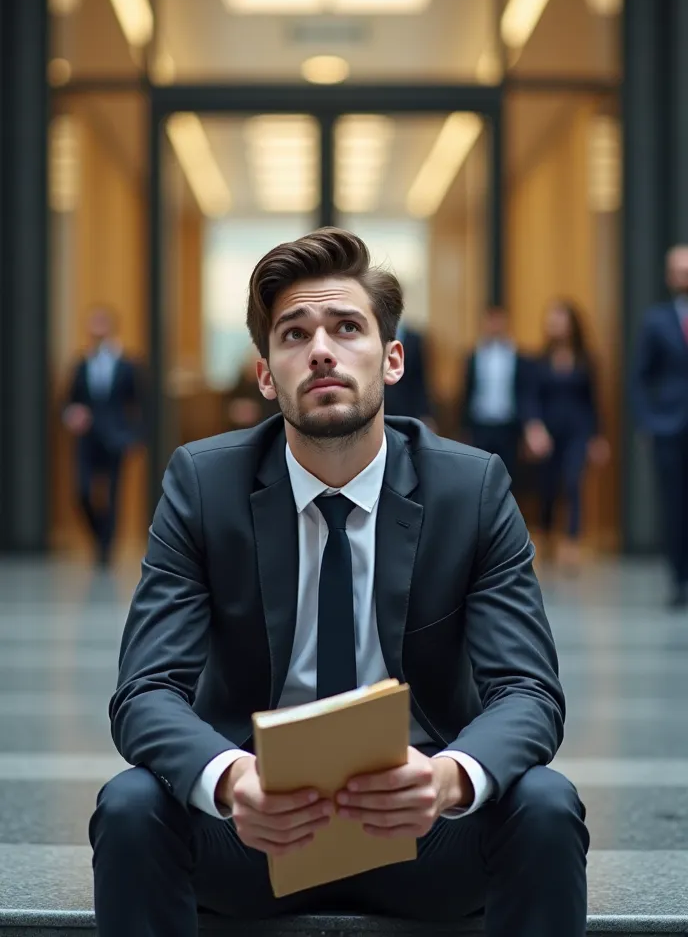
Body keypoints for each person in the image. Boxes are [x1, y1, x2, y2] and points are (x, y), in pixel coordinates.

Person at [90, 228, 588, 937]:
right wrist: (233, 781)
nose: (321, 348)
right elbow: (144, 691)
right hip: (256, 830)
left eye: (347, 327)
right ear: (266, 375)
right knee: (130, 804)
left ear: (391, 360)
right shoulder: (203, 486)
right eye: (294, 334)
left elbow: (529, 691)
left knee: (545, 802)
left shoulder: (470, 490)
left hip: (424, 829)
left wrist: (448, 778)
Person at [523, 300, 609, 571]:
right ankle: (547, 537)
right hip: (548, 433)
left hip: (578, 432)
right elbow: (531, 399)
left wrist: (597, 437)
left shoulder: (586, 360)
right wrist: (534, 428)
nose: (556, 326)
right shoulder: (539, 361)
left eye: (561, 320)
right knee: (548, 488)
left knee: (573, 483)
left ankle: (572, 544)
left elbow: (594, 402)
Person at [63, 306, 145, 566]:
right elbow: (67, 401)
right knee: (83, 491)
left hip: (116, 438)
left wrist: (136, 436)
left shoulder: (127, 364)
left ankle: (106, 551)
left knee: (113, 495)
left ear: (110, 327)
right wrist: (71, 414)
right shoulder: (81, 363)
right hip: (87, 439)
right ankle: (99, 536)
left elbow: (141, 403)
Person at [632, 245, 688, 609]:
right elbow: (639, 377)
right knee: (674, 504)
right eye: (678, 269)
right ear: (669, 276)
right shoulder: (655, 320)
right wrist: (649, 422)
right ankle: (678, 579)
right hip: (671, 427)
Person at [461, 306, 527, 478]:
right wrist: (465, 427)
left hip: (508, 427)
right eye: (491, 320)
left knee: (508, 476)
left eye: (499, 320)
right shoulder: (474, 355)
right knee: (479, 476)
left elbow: (523, 392)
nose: (495, 325)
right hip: (480, 425)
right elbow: (466, 392)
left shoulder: (516, 355)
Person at [383, 320, 434, 427]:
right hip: (381, 408)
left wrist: (425, 414)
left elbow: (420, 381)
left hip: (407, 409)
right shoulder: (376, 334)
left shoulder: (414, 339)